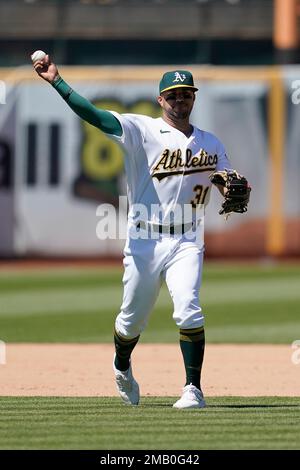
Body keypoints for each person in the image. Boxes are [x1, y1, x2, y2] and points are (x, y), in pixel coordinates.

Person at [32, 56, 243, 409]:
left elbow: (225, 181)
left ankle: (193, 389)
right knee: (131, 321)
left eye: (186, 94)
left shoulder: (212, 143)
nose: (180, 101)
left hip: (188, 238)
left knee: (189, 309)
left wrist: (233, 187)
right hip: (145, 239)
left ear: (194, 98)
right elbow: (95, 116)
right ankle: (122, 365)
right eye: (173, 95)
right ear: (160, 100)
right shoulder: (139, 129)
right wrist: (57, 82)